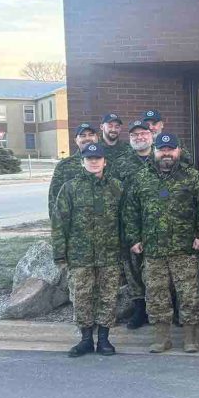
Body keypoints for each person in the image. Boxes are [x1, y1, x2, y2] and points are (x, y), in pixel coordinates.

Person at [123, 133, 199, 354]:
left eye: (170, 149)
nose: (166, 154)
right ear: (155, 151)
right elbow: (131, 211)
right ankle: (162, 338)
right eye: (162, 150)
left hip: (185, 249)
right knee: (156, 295)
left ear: (178, 151)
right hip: (153, 249)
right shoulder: (141, 178)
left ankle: (190, 338)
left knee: (189, 295)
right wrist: (134, 239)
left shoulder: (192, 177)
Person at [51, 143, 124, 358]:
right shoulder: (70, 188)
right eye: (89, 159)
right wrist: (60, 254)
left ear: (104, 161)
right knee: (82, 297)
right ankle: (85, 340)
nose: (94, 162)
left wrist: (125, 248)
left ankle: (104, 339)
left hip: (110, 254)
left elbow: (126, 219)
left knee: (108, 297)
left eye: (97, 158)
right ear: (82, 162)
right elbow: (59, 223)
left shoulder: (116, 187)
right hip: (79, 255)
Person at [113, 119, 156, 330]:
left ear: (152, 135)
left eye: (143, 133)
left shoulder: (165, 157)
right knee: (133, 269)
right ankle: (140, 309)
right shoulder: (121, 163)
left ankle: (168, 308)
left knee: (161, 268)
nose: (139, 137)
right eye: (134, 135)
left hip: (159, 224)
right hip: (130, 223)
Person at [48, 123, 99, 216]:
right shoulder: (64, 166)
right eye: (83, 136)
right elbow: (54, 199)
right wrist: (56, 223)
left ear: (96, 138)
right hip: (75, 223)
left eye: (91, 135)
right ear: (76, 140)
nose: (87, 138)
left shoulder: (106, 163)